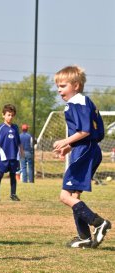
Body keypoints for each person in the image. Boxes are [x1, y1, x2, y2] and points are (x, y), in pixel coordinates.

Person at [53, 65, 111, 248]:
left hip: (84, 152)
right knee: (74, 195)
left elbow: (85, 130)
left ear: (76, 85)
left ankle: (98, 222)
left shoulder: (76, 103)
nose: (59, 90)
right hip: (89, 149)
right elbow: (93, 132)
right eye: (58, 86)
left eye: (63, 86)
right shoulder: (86, 102)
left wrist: (65, 141)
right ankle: (84, 237)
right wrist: (69, 146)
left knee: (65, 196)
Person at [0, 104, 23, 201]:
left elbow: (18, 141)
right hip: (3, 156)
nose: (10, 117)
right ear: (3, 115)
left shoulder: (16, 128)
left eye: (12, 115)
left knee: (13, 176)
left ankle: (13, 194)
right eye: (8, 115)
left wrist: (21, 150)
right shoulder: (0, 127)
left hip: (14, 156)